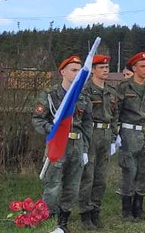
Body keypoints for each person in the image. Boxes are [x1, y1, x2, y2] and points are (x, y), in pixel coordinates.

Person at [31, 55, 92, 232]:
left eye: (79, 70)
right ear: (63, 72)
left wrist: (85, 148)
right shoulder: (50, 95)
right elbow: (37, 119)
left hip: (77, 145)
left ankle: (63, 222)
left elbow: (87, 123)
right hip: (57, 145)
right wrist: (52, 129)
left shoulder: (83, 96)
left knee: (72, 186)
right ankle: (49, 221)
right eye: (74, 70)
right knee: (53, 185)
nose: (77, 73)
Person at [114, 51, 145, 222]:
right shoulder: (124, 87)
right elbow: (115, 111)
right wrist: (115, 134)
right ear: (134, 68)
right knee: (129, 170)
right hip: (129, 133)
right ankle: (126, 210)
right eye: (142, 66)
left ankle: (138, 207)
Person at [78, 55, 118, 229]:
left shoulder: (111, 91)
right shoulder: (85, 90)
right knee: (88, 176)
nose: (105, 70)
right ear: (93, 70)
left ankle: (95, 210)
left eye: (107, 67)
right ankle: (85, 213)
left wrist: (114, 138)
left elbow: (115, 115)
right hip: (91, 132)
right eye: (101, 67)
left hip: (106, 133)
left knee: (101, 177)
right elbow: (81, 116)